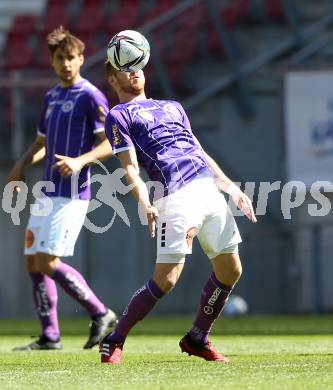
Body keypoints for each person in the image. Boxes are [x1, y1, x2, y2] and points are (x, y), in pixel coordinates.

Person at [99, 60, 256, 364]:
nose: (134, 72)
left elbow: (197, 148)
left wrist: (230, 187)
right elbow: (130, 167)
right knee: (166, 279)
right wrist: (143, 201)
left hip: (207, 189)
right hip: (174, 195)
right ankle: (114, 339)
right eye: (125, 69)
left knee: (231, 269)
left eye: (137, 66)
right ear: (112, 79)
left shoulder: (173, 106)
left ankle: (197, 338)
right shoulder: (118, 116)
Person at [7, 26, 117, 351]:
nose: (66, 64)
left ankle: (101, 313)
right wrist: (20, 166)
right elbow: (42, 142)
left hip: (72, 193)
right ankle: (50, 336)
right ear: (52, 62)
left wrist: (81, 161)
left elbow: (111, 142)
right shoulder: (51, 97)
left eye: (71, 58)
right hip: (47, 193)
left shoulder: (91, 96)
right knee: (32, 262)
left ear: (81, 59)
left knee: (47, 262)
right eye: (60, 58)